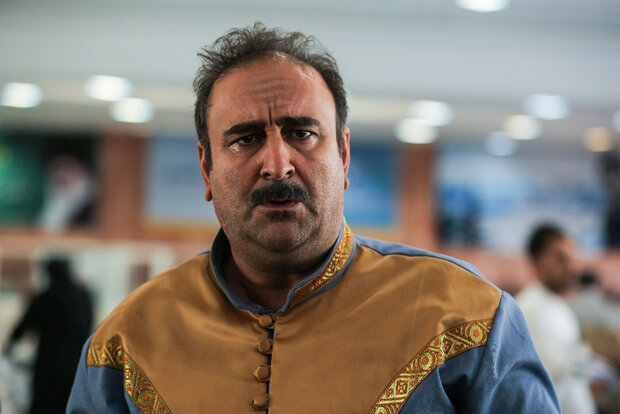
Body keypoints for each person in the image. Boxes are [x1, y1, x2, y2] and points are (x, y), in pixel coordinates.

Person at [68, 23, 559, 413]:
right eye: (245, 139)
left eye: (302, 133)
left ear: (343, 156)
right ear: (206, 168)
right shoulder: (126, 342)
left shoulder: (468, 315)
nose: (277, 164)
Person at [517, 224, 598, 414]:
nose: (572, 267)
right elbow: (543, 381)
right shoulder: (527, 310)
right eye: (561, 258)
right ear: (537, 262)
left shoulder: (561, 306)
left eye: (573, 258)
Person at [4, 257, 92, 414]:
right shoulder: (83, 297)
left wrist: (8, 348)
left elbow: (23, 327)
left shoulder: (45, 297)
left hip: (49, 364)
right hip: (76, 363)